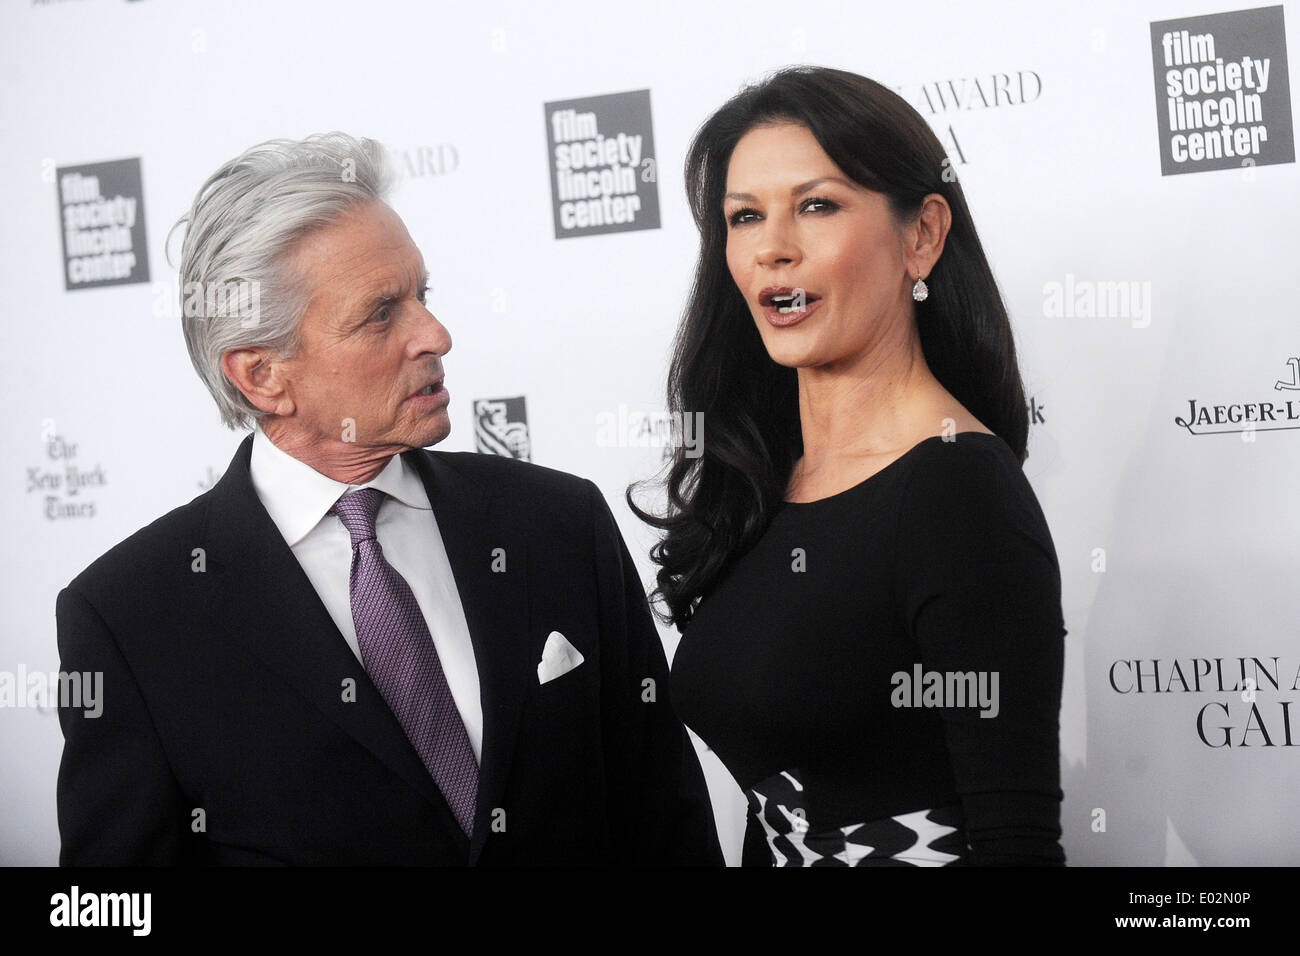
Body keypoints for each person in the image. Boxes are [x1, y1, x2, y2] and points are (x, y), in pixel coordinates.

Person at [55, 132, 722, 866]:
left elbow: (666, 819)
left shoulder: (558, 524)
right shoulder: (131, 616)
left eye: (422, 296)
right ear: (262, 375)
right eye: (381, 314)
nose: (435, 334)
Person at [631, 66, 1067, 866]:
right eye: (745, 217)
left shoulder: (957, 489)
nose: (773, 248)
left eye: (817, 206)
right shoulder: (762, 482)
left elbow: (1019, 843)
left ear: (922, 236)